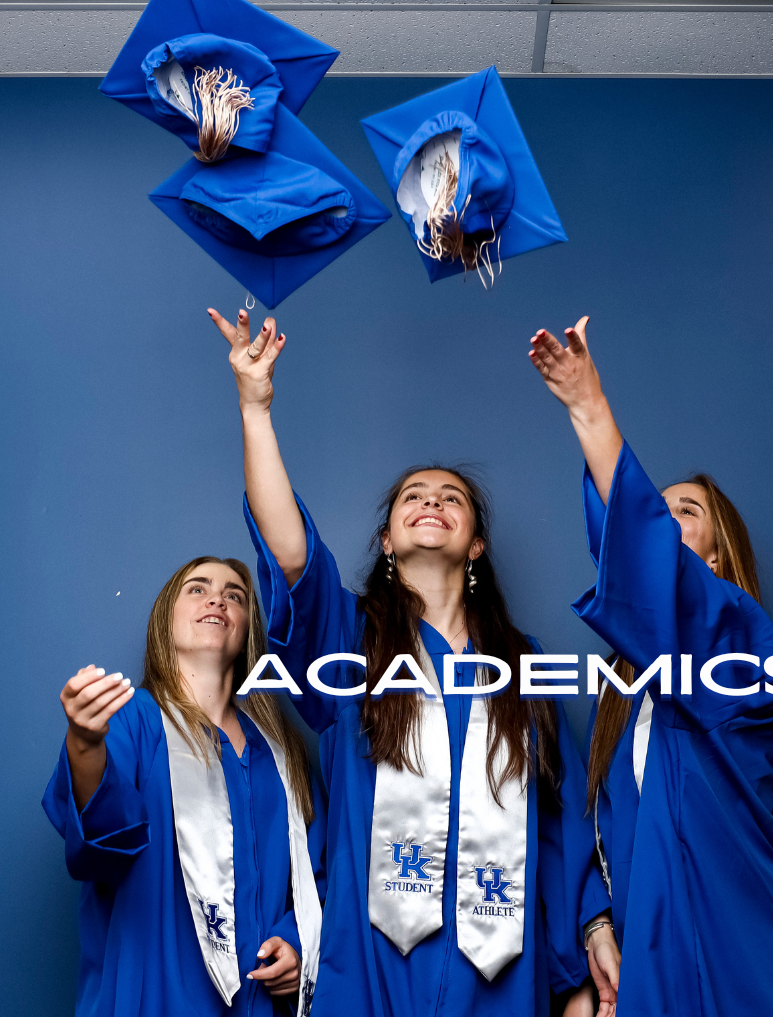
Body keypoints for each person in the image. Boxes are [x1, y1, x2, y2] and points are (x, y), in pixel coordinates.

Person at [207, 307, 619, 1017]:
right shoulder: (350, 640)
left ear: (476, 545)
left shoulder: (520, 664)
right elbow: (290, 555)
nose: (431, 501)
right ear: (388, 541)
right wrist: (255, 408)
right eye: (413, 497)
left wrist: (591, 933)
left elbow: (556, 821)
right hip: (371, 960)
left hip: (500, 964)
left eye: (451, 498)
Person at [528, 317, 773, 1017]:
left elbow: (647, 555)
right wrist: (599, 937)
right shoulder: (623, 706)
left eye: (683, 513)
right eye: (656, 508)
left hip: (730, 952)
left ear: (716, 557)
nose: (659, 517)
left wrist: (589, 407)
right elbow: (606, 843)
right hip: (651, 962)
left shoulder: (740, 647)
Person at [43, 557, 327, 1017]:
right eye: (197, 589)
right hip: (154, 996)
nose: (217, 599)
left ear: (247, 631)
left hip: (257, 1000)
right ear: (165, 619)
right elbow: (100, 842)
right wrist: (85, 742)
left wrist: (297, 944)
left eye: (234, 595)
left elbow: (318, 877)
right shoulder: (133, 721)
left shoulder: (281, 751)